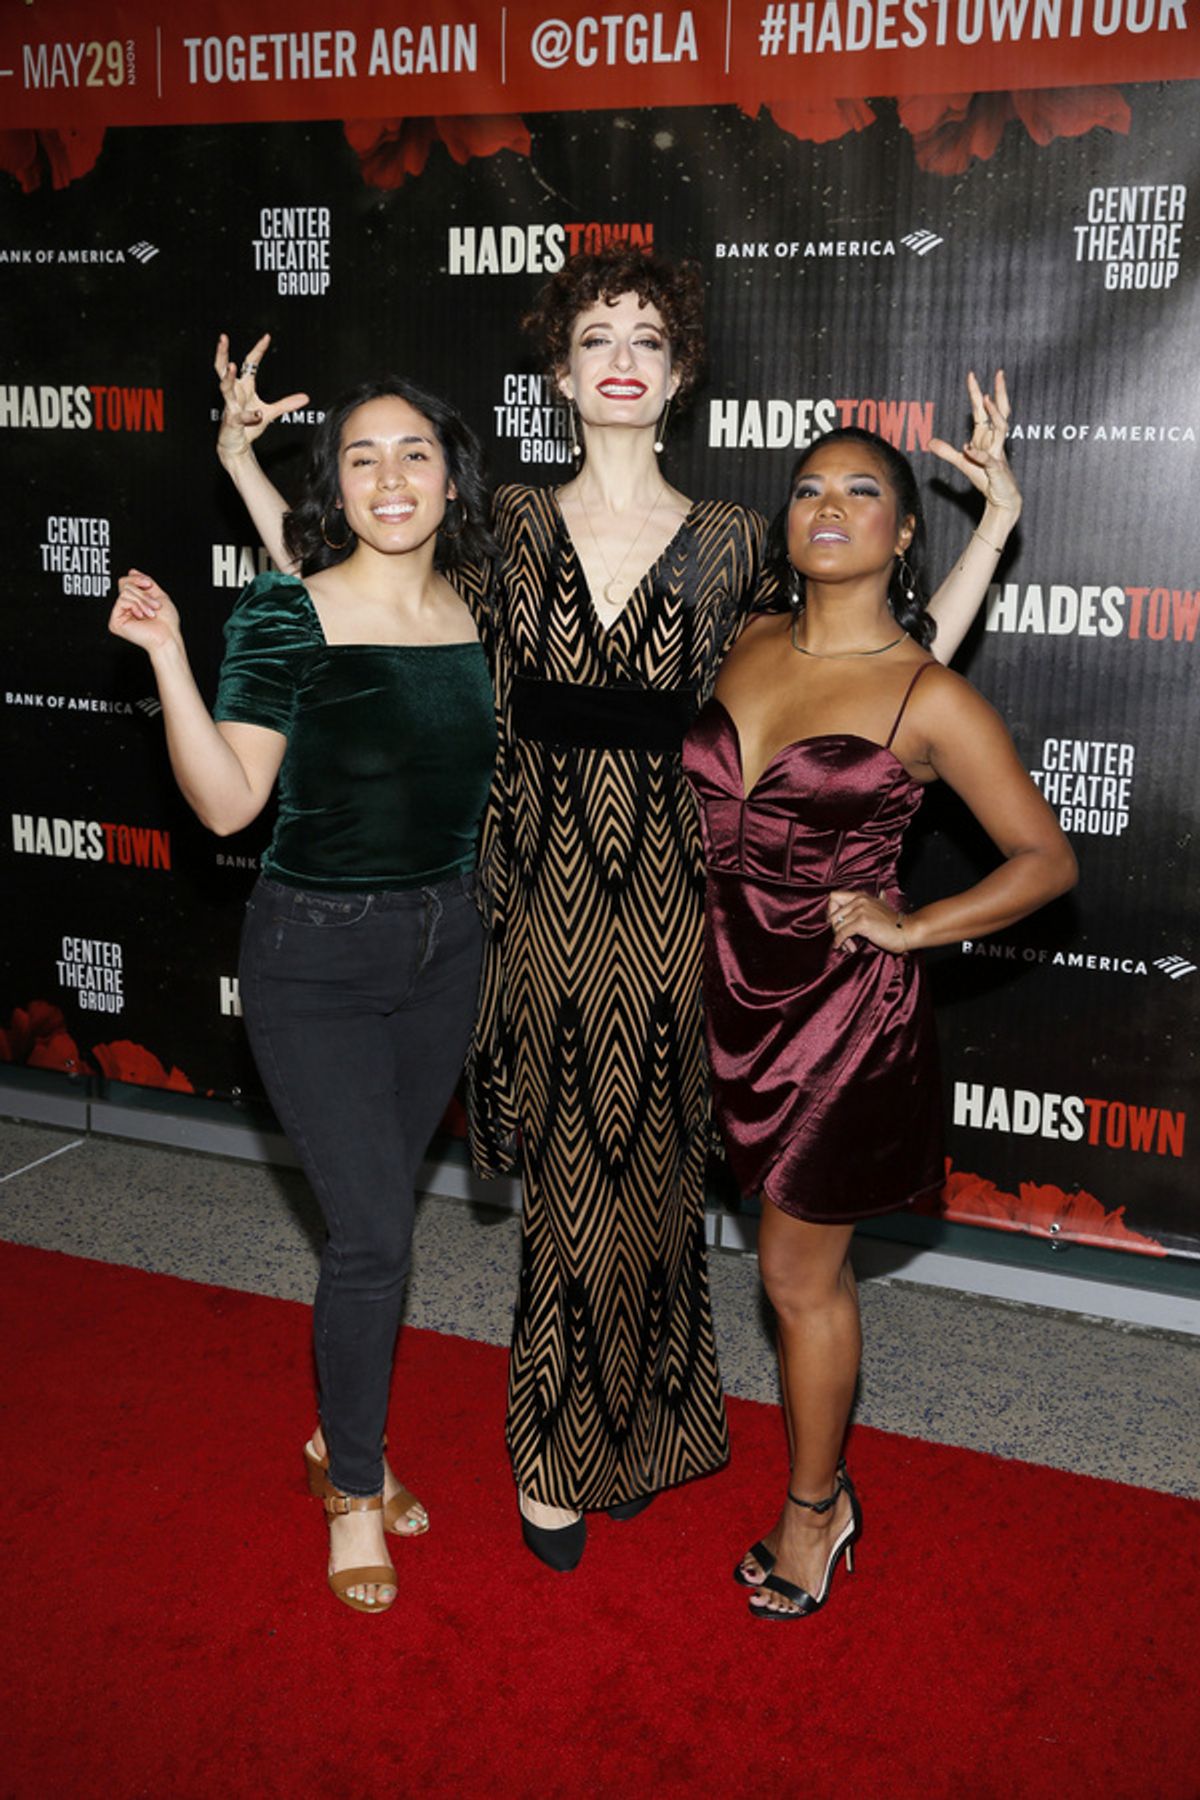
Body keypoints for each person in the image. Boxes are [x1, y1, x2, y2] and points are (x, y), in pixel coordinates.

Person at [210, 259, 1021, 1571]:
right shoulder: (505, 524)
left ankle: (636, 1431)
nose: (624, 357)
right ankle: (554, 1454)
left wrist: (988, 534)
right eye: (597, 338)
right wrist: (245, 469)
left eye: (649, 338)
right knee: (569, 1188)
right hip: (527, 892)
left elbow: (886, 664)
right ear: (564, 373)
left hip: (674, 893)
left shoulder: (732, 542)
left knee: (644, 1180)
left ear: (680, 372)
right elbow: (348, 596)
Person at [107, 376, 497, 1615]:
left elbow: (369, 590)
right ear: (339, 484)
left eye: (415, 455)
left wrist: (241, 467)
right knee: (377, 1237)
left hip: (451, 948)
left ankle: (342, 1434)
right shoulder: (283, 612)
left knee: (378, 1233)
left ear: (450, 476)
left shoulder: (476, 610)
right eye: (363, 459)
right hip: (317, 960)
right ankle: (354, 1487)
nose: (390, 479)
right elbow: (228, 804)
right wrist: (174, 657)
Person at [681, 425, 1077, 1619]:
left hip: (837, 1022)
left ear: (907, 534)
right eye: (809, 488)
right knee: (754, 1262)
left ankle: (816, 1509)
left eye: (864, 491)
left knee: (799, 1282)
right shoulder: (745, 641)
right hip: (713, 988)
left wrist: (914, 925)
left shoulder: (931, 696)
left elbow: (1044, 859)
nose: (830, 506)